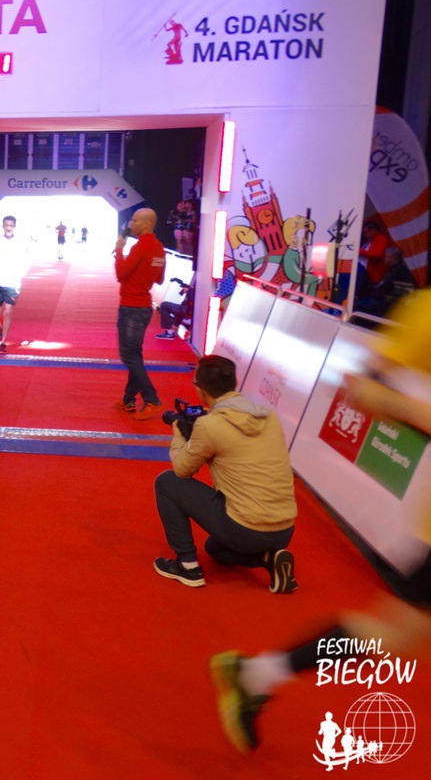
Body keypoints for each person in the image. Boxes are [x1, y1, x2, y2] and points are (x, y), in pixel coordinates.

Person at [210, 288, 431, 755]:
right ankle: (258, 675)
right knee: (399, 635)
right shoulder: (426, 312)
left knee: (401, 635)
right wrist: (414, 410)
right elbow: (363, 385)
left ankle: (257, 675)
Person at [152, 354, 298, 591]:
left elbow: (182, 470)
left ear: (200, 390)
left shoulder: (210, 425)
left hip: (245, 528)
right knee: (215, 549)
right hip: (284, 530)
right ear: (234, 383)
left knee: (166, 482)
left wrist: (178, 437)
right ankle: (268, 558)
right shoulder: (268, 415)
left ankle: (187, 566)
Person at [113, 208, 166, 419]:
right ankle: (128, 398)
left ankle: (152, 399)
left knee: (129, 355)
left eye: (135, 220)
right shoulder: (159, 247)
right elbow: (159, 278)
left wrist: (119, 250)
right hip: (144, 307)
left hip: (131, 307)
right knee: (135, 354)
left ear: (146, 223)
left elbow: (120, 273)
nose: (131, 224)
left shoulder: (141, 246)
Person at [0, 215, 31, 355]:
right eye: (6, 225)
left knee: (8, 311)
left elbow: (27, 258)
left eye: (11, 225)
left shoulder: (21, 242)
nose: (8, 227)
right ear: (3, 226)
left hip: (13, 282)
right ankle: (1, 327)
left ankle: (3, 343)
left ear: (14, 226)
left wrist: (21, 273)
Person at [354, 246, 416, 318]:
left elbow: (389, 291)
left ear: (393, 258)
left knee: (358, 306)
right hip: (384, 300)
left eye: (386, 256)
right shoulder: (394, 269)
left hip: (389, 303)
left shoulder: (398, 272)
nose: (384, 258)